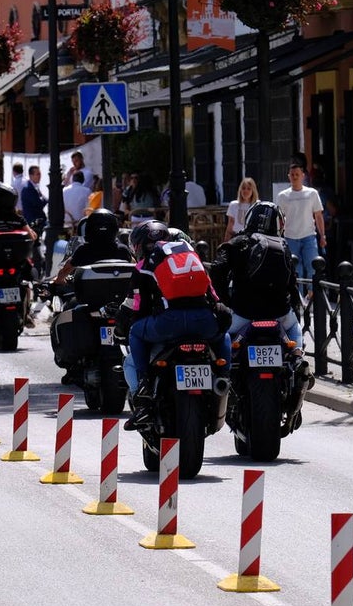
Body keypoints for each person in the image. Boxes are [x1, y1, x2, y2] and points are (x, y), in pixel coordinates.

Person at [120, 220, 231, 429]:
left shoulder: (144, 265)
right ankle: (225, 378)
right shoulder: (189, 255)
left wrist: (128, 323)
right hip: (203, 322)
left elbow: (138, 306)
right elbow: (213, 295)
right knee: (224, 335)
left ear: (140, 245)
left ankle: (144, 390)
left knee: (135, 332)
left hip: (168, 324)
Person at [210, 201, 303, 347]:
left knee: (218, 334)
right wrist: (294, 309)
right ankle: (298, 356)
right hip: (279, 313)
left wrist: (227, 301)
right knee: (294, 327)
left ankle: (223, 367)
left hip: (243, 313)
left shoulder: (237, 242)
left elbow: (216, 269)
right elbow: (292, 285)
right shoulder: (282, 245)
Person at [0, 182, 38, 328]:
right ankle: (27, 312)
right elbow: (31, 236)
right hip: (16, 262)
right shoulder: (18, 219)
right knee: (28, 281)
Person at [275, 163, 326, 285]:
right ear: (289, 176)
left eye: (297, 174)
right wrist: (278, 236)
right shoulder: (282, 196)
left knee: (313, 267)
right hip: (290, 237)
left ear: (303, 176)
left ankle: (313, 296)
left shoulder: (312, 193)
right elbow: (279, 218)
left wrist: (322, 235)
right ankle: (298, 298)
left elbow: (318, 215)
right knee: (294, 270)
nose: (295, 177)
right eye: (292, 175)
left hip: (309, 236)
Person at [224, 177, 259, 242]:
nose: (245, 191)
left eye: (249, 189)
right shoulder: (233, 205)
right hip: (236, 238)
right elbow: (230, 224)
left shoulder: (257, 205)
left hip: (251, 239)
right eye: (243, 188)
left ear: (253, 190)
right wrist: (226, 241)